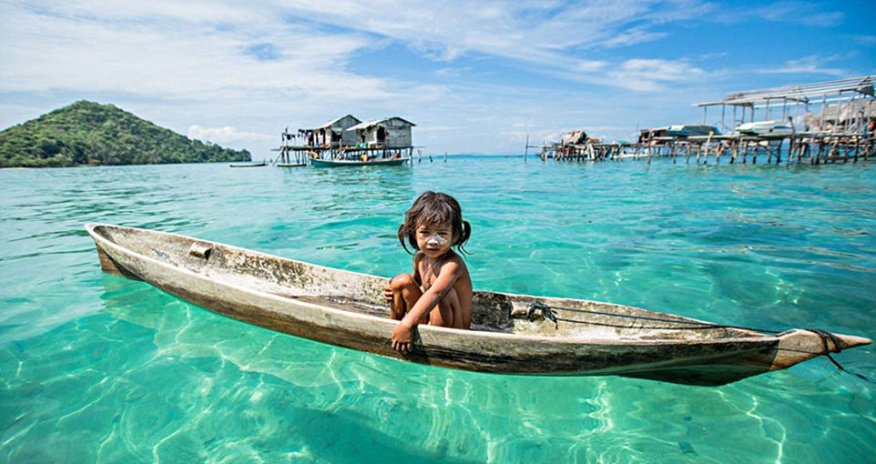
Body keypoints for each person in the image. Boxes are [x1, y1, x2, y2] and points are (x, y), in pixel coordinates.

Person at [384, 191, 473, 352]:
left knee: (445, 292)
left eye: (442, 233)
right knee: (401, 281)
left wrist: (408, 323)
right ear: (413, 232)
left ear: (454, 236)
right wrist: (392, 290)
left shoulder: (452, 265)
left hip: (455, 328)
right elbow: (414, 285)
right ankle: (392, 330)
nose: (433, 241)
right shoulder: (420, 258)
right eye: (425, 233)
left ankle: (415, 332)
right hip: (428, 320)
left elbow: (436, 293)